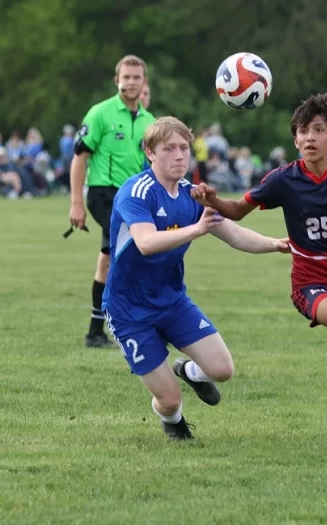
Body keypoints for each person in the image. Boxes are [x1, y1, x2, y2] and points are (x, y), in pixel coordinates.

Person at [191, 94, 327, 442]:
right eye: (302, 131)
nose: (309, 137)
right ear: (294, 140)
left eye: (318, 129)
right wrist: (213, 200)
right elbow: (236, 210)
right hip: (309, 281)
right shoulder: (283, 178)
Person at [103, 116, 289, 440]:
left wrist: (275, 244)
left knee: (222, 370)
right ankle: (172, 420)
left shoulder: (193, 195)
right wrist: (198, 229)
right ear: (149, 152)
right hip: (128, 309)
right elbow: (146, 243)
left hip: (171, 300)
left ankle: (189, 370)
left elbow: (234, 234)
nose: (179, 155)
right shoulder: (136, 191)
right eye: (169, 148)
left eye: (184, 148)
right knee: (169, 399)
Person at [69, 55, 156, 348]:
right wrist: (76, 203)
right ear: (116, 80)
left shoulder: (150, 121)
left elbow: (154, 166)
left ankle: (96, 331)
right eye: (126, 77)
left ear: (144, 82)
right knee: (136, 251)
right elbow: (80, 158)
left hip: (133, 198)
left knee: (108, 258)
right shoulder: (100, 113)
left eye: (136, 77)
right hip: (104, 195)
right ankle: (134, 323)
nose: (131, 82)